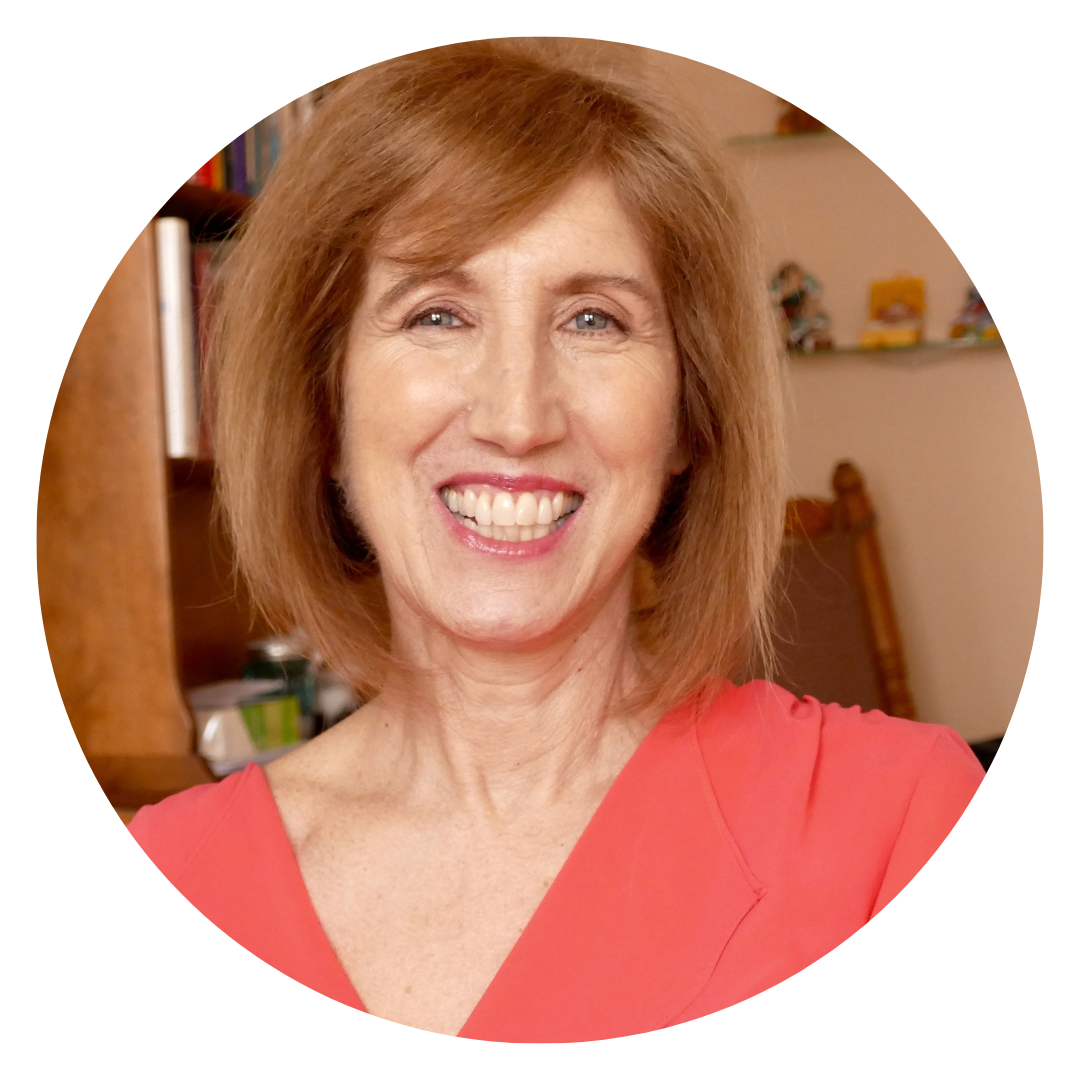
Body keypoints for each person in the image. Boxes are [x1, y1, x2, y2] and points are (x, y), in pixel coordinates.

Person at [130, 42, 984, 1042]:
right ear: (325, 409)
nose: (517, 414)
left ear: (687, 420)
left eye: (592, 319)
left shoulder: (902, 827)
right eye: (438, 314)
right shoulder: (170, 880)